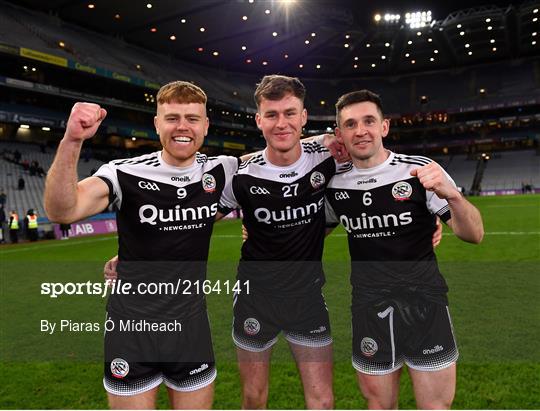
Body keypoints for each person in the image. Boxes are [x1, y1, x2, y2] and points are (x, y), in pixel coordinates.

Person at [44, 81, 241, 409]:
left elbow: (280, 160)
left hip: (190, 328)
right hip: (131, 329)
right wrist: (73, 139)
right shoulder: (124, 172)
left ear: (206, 125)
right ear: (156, 123)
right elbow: (62, 210)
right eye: (172, 117)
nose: (182, 127)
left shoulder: (222, 169)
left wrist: (328, 141)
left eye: (192, 119)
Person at [325, 90, 484, 409]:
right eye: (350, 124)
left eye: (369, 121)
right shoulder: (334, 185)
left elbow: (474, 233)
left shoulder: (418, 171)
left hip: (425, 306)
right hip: (370, 310)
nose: (361, 130)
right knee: (379, 406)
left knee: (435, 407)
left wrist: (451, 195)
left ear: (384, 127)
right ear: (340, 133)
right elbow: (309, 233)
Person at [217, 75, 355, 409]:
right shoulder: (241, 174)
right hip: (255, 298)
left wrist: (429, 222)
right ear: (259, 120)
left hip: (306, 298)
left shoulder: (327, 158)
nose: (282, 123)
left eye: (290, 113)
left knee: (322, 400)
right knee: (254, 396)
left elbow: (373, 184)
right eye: (273, 114)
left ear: (303, 117)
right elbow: (190, 223)